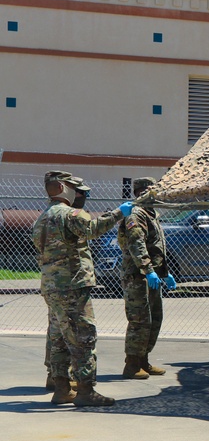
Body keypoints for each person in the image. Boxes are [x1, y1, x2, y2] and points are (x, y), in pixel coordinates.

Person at [32, 171, 133, 407]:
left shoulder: (43, 217)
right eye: (75, 189)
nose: (80, 195)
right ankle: (86, 391)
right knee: (82, 338)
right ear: (62, 187)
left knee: (58, 338)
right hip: (73, 286)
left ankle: (61, 389)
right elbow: (93, 229)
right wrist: (119, 213)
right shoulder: (70, 214)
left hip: (52, 287)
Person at [118, 177, 176, 379]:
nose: (155, 194)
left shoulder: (152, 214)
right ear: (141, 192)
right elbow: (136, 244)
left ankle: (143, 359)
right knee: (139, 321)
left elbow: (157, 247)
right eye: (151, 190)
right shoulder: (137, 214)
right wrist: (147, 269)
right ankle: (132, 364)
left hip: (151, 276)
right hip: (137, 276)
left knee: (154, 319)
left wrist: (164, 273)